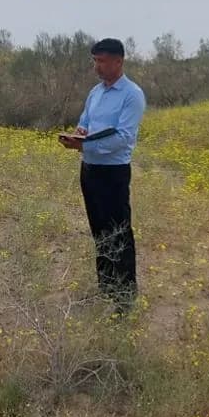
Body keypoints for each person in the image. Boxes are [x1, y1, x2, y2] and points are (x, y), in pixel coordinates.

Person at [58, 38, 146, 312]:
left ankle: (125, 297)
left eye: (102, 61)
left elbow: (123, 138)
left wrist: (85, 144)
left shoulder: (132, 94)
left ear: (118, 61)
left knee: (118, 232)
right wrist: (79, 134)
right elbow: (84, 123)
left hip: (114, 174)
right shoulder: (95, 92)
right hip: (90, 170)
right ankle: (106, 287)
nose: (97, 66)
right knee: (99, 231)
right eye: (95, 61)